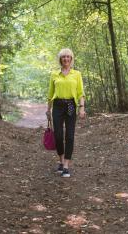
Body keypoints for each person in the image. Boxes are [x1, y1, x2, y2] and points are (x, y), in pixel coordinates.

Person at [46, 48, 86, 177]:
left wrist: (81, 108)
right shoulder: (54, 74)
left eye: (68, 57)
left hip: (70, 106)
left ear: (71, 59)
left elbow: (80, 92)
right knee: (58, 135)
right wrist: (48, 109)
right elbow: (50, 93)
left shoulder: (77, 74)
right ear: (60, 59)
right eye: (63, 57)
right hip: (57, 105)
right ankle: (61, 160)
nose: (66, 59)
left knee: (69, 136)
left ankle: (66, 165)